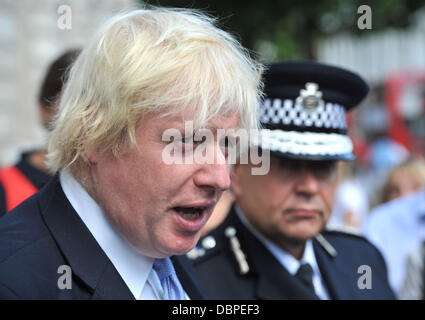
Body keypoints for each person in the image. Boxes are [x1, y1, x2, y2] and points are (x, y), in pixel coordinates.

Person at [0, 7, 263, 299]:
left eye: (227, 144)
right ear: (94, 134)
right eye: (188, 141)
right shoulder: (14, 283)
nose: (220, 178)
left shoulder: (156, 245)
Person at [190, 61, 395, 299]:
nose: (309, 187)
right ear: (235, 169)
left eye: (324, 167)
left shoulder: (361, 258)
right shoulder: (198, 281)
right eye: (286, 166)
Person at [0, 49, 80, 217]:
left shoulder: (103, 192)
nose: (84, 118)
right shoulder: (6, 186)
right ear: (44, 110)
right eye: (72, 104)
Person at [363, 184, 425, 296]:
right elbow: (363, 286)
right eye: (394, 190)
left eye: (414, 187)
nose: (403, 194)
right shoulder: (380, 222)